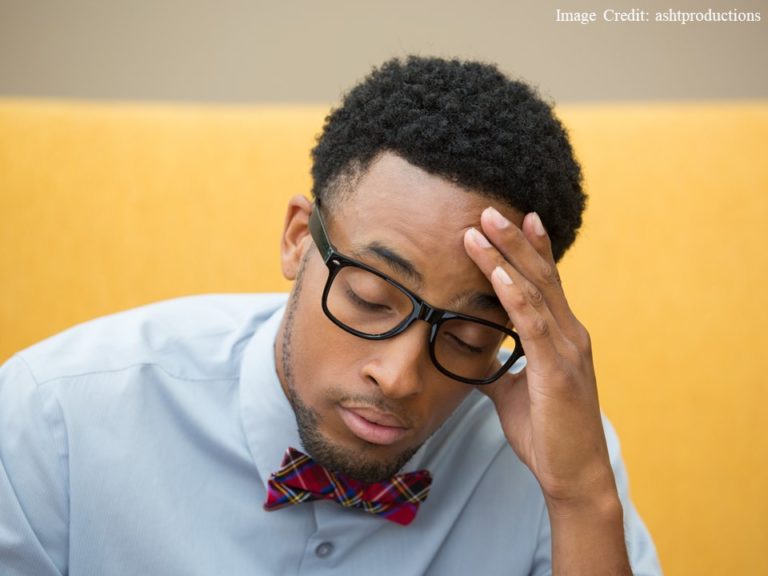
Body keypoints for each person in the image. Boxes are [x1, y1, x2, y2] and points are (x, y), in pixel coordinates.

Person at [0, 56, 661, 575]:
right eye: (371, 298)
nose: (400, 377)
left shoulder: (557, 456)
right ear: (297, 239)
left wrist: (579, 499)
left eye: (467, 336)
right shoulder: (56, 422)